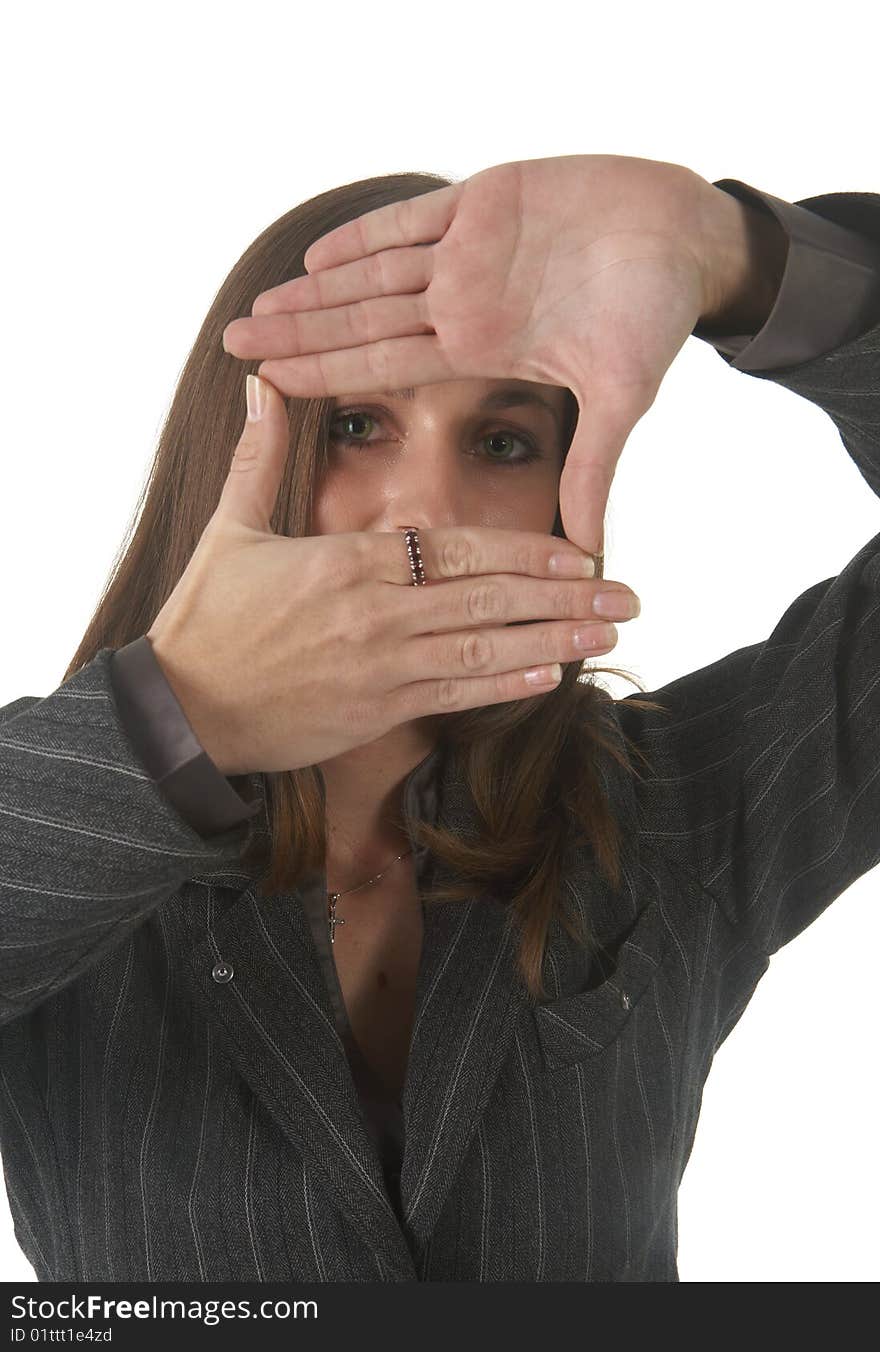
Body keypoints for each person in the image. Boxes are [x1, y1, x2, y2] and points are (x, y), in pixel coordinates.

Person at [1, 154, 879, 1283]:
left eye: (503, 441)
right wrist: (185, 719)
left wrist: (746, 264)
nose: (424, 507)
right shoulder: (53, 817)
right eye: (357, 423)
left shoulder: (677, 809)